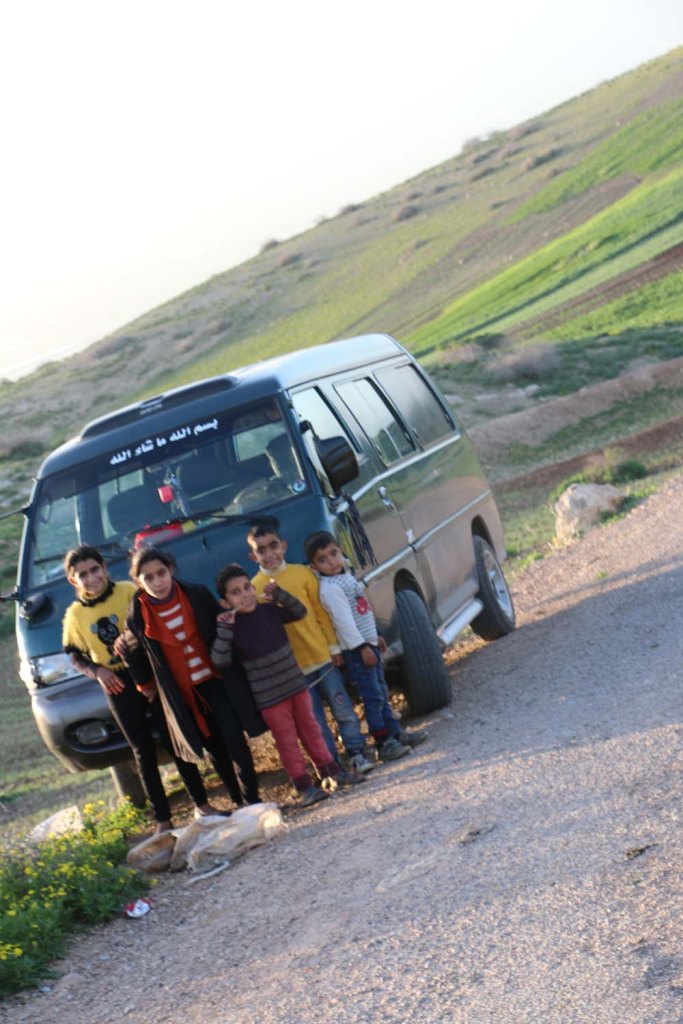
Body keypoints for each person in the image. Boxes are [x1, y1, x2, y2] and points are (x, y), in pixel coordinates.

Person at [62, 544, 224, 833]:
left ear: (105, 568)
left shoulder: (128, 592)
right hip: (116, 686)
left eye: (95, 570)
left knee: (175, 739)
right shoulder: (74, 616)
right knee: (142, 752)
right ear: (73, 580)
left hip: (150, 677)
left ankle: (202, 804)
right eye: (82, 574)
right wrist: (96, 671)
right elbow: (74, 655)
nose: (91, 578)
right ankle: (163, 819)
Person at [119, 546, 264, 809]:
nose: (157, 581)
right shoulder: (138, 613)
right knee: (214, 748)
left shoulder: (196, 594)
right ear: (138, 582)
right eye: (148, 578)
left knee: (235, 741)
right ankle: (237, 801)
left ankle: (252, 799)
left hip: (215, 683)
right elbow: (131, 650)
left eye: (161, 573)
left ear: (171, 570)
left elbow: (220, 626)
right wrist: (146, 686)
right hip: (182, 693)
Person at [247, 520, 375, 775]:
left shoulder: (303, 574)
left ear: (284, 546)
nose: (269, 554)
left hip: (323, 658)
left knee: (343, 709)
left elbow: (321, 612)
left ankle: (356, 752)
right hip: (294, 671)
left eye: (273, 546)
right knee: (314, 720)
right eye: (261, 550)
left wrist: (334, 647)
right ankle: (331, 764)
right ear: (253, 556)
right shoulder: (255, 588)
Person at [211, 564, 340, 807]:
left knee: (311, 729)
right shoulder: (232, 627)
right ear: (226, 602)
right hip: (270, 698)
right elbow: (220, 661)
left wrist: (280, 595)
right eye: (235, 592)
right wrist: (225, 628)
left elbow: (300, 611)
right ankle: (304, 786)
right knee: (287, 740)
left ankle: (330, 772)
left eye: (247, 587)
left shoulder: (269, 610)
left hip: (296, 685)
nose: (245, 594)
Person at [304, 531, 429, 760]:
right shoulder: (330, 588)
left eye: (334, 553)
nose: (331, 561)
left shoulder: (346, 577)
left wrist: (376, 635)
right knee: (372, 696)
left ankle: (395, 733)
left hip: (368, 644)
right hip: (356, 651)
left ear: (342, 552)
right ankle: (383, 742)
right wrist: (361, 647)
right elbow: (344, 623)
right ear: (314, 566)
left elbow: (363, 610)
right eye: (323, 559)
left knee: (381, 691)